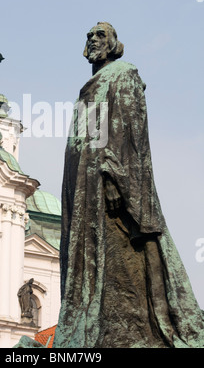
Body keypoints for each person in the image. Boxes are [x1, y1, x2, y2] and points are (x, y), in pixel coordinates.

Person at [53, 22, 204, 348]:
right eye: (90, 36)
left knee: (120, 261)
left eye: (101, 35)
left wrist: (115, 180)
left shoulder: (124, 73)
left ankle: (134, 330)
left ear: (114, 44)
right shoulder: (91, 84)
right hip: (83, 184)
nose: (93, 39)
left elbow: (130, 133)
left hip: (109, 182)